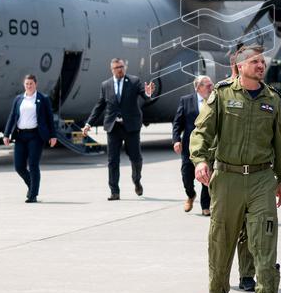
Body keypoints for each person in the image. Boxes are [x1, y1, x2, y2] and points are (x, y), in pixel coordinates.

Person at [190, 45, 281, 293]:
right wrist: (199, 160)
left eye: (262, 62)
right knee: (221, 239)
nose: (261, 66)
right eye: (255, 61)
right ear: (240, 65)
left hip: (261, 179)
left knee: (264, 241)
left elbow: (278, 143)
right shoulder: (221, 94)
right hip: (228, 178)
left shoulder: (273, 99)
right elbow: (201, 132)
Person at [82, 58, 156, 200]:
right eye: (117, 67)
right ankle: (114, 191)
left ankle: (136, 180)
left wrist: (148, 93)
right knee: (112, 160)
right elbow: (99, 106)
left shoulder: (134, 81)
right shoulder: (106, 85)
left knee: (136, 158)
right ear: (112, 70)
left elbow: (145, 97)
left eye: (122, 66)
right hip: (113, 127)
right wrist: (88, 124)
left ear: (125, 67)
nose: (120, 69)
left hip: (131, 127)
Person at [3, 74, 58, 203]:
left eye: (31, 84)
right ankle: (31, 186)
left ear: (35, 84)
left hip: (36, 136)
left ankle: (33, 195)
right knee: (19, 166)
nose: (29, 86)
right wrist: (6, 134)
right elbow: (12, 117)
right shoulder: (18, 99)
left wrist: (53, 135)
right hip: (20, 135)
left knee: (33, 165)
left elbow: (50, 118)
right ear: (24, 85)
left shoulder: (42, 98)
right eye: (26, 84)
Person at [173, 76, 214, 215]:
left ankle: (205, 206)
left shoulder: (214, 100)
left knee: (206, 175)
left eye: (211, 85)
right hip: (189, 147)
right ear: (198, 87)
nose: (211, 87)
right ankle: (190, 194)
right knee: (186, 176)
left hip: (208, 146)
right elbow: (177, 123)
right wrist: (176, 140)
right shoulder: (186, 101)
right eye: (207, 85)